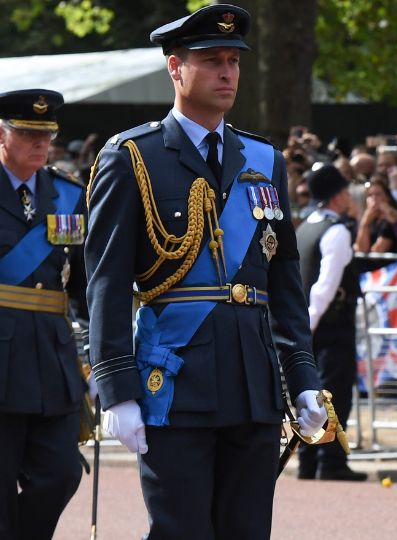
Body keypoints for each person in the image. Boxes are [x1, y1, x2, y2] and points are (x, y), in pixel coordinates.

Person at [84, 6, 327, 539]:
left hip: (253, 383)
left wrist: (303, 378)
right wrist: (116, 386)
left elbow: (283, 281)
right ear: (176, 68)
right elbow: (105, 279)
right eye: (211, 61)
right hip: (174, 382)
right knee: (182, 532)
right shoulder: (132, 157)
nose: (226, 73)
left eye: (233, 62)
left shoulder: (265, 159)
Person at [0, 90, 90, 540]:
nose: (40, 143)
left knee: (61, 475)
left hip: (53, 363)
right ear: (1, 134)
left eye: (46, 133)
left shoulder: (70, 195)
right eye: (27, 133)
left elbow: (84, 289)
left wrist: (96, 354)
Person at [295, 165, 366, 482]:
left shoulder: (304, 227)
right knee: (334, 394)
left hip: (307, 324)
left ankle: (308, 460)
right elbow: (325, 286)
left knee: (310, 395)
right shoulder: (336, 230)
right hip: (330, 324)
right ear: (337, 196)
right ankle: (331, 461)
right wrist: (311, 322)